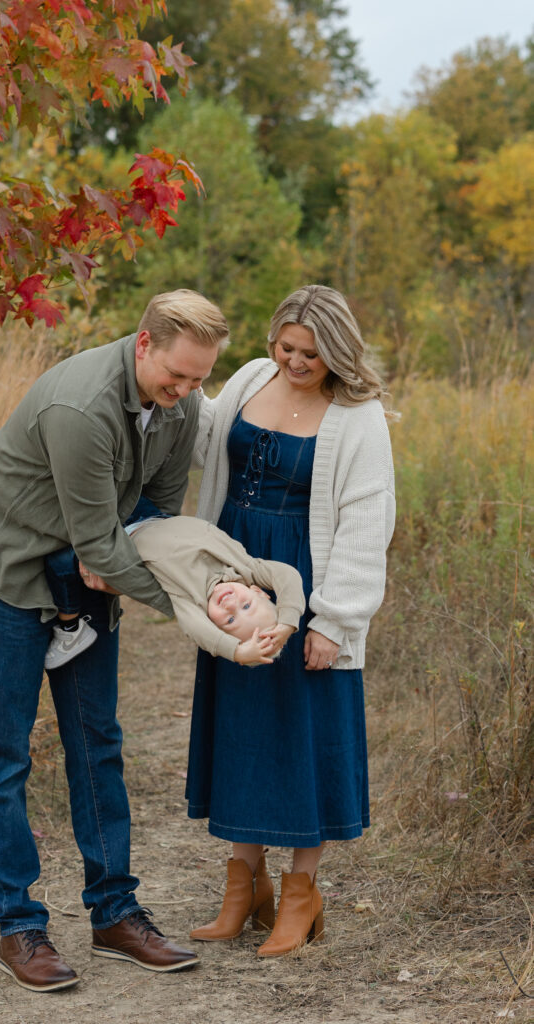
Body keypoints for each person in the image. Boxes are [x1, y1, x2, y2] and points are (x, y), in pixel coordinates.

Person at [0, 289, 229, 991]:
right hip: (8, 563)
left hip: (82, 562)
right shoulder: (81, 407)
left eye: (199, 380)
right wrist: (197, 609)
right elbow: (103, 543)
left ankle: (114, 913)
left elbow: (153, 515)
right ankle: (18, 925)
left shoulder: (184, 402)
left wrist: (121, 560)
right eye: (176, 376)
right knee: (5, 748)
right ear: (143, 344)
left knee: (96, 738)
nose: (185, 392)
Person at [186, 284, 396, 957]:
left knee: (305, 731)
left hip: (307, 580)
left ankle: (301, 894)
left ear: (337, 351)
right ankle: (244, 888)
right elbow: (204, 443)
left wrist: (333, 620)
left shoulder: (357, 416)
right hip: (237, 576)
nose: (295, 362)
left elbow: (366, 521)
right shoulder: (251, 377)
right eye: (286, 346)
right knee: (241, 726)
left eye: (311, 352)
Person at [42, 513, 306, 670]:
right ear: (259, 591)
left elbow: (200, 632)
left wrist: (236, 652)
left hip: (121, 541)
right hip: (150, 514)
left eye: (230, 620)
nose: (231, 605)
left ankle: (70, 628)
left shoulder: (189, 601)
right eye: (246, 606)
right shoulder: (247, 569)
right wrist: (287, 622)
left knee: (61, 562)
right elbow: (288, 576)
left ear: (213, 624)